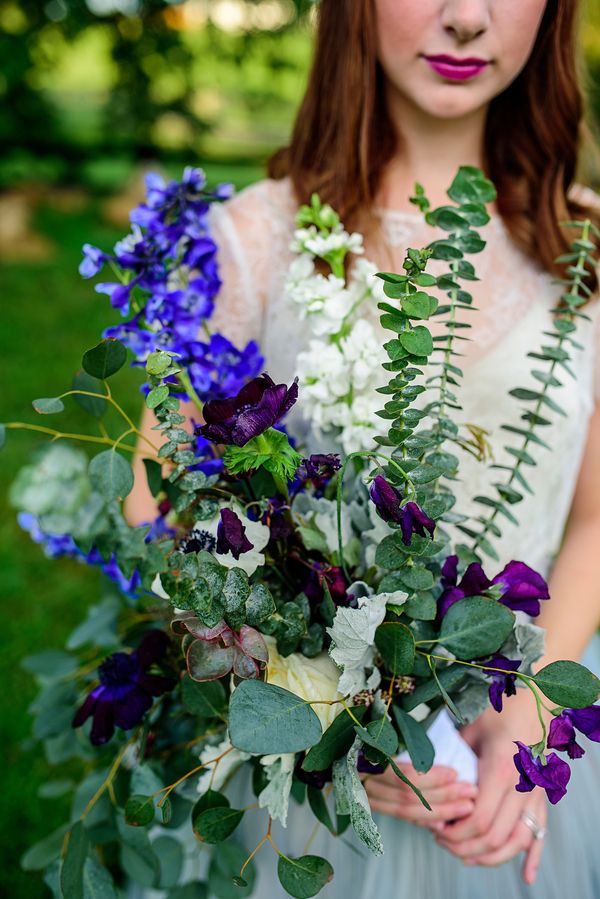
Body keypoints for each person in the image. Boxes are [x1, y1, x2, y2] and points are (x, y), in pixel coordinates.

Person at [125, 1, 600, 896]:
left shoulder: (585, 247)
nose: (467, 17)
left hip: (507, 746)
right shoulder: (258, 237)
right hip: (307, 764)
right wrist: (321, 708)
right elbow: (155, 499)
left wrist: (529, 713)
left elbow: (596, 516)